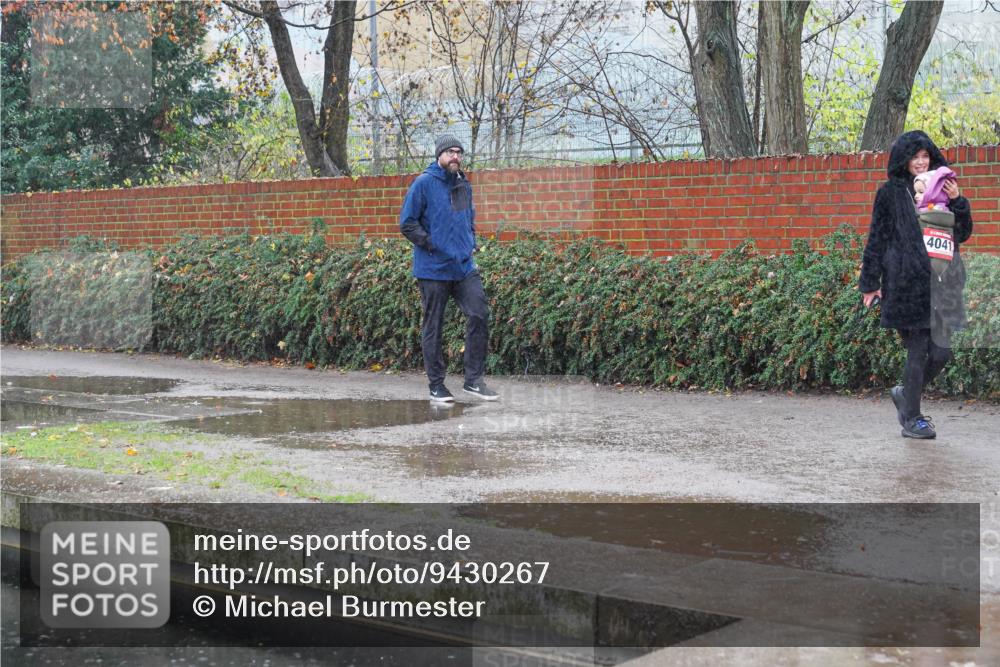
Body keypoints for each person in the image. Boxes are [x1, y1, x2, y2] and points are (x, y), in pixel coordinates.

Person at [859, 130, 973, 439]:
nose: (921, 162)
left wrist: (957, 201)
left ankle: (904, 394)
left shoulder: (944, 191)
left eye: (925, 156)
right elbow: (877, 240)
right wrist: (870, 284)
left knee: (941, 353)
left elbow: (962, 233)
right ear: (904, 160)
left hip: (943, 283)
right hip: (907, 285)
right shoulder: (890, 194)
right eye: (915, 157)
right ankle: (912, 418)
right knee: (919, 349)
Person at [399, 134, 499, 403]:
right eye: (450, 152)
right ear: (439, 155)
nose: (456, 156)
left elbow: (467, 219)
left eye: (459, 152)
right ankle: (436, 385)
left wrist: (471, 243)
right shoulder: (423, 184)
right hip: (433, 269)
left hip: (463, 267)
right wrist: (432, 244)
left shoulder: (463, 184)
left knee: (479, 313)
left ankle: (473, 381)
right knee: (434, 326)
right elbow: (407, 223)